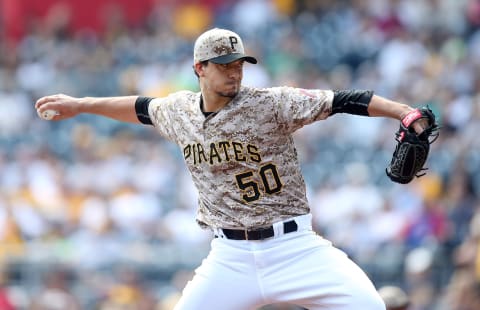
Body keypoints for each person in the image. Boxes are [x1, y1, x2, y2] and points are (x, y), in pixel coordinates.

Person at [35, 28, 428, 310]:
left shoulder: (270, 103)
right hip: (230, 257)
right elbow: (140, 107)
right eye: (224, 65)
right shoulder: (180, 111)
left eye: (239, 64)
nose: (235, 72)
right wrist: (82, 104)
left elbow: (344, 99)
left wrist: (403, 112)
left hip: (295, 247)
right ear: (199, 68)